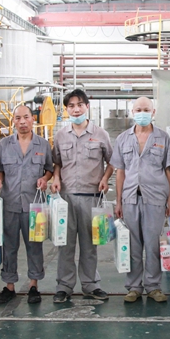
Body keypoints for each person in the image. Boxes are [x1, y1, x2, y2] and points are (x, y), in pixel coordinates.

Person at [50, 89, 114, 303]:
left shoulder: (101, 134)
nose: (76, 109)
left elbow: (112, 162)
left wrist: (105, 178)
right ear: (66, 109)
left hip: (92, 197)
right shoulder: (61, 135)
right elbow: (57, 162)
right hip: (66, 198)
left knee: (89, 245)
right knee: (65, 244)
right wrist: (56, 178)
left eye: (79, 105)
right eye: (71, 106)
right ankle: (64, 286)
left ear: (87, 107)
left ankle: (91, 285)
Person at [111, 97, 170, 304]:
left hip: (155, 198)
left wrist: (169, 200)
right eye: (138, 109)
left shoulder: (163, 137)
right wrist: (118, 201)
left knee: (154, 244)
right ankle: (134, 287)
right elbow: (120, 171)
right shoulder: (123, 139)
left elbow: (168, 170)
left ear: (153, 112)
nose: (142, 113)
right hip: (130, 198)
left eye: (146, 109)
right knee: (133, 245)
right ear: (132, 112)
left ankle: (153, 286)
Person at [0, 105, 54, 305]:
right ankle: (9, 286)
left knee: (34, 246)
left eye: (26, 117)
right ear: (13, 121)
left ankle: (33, 285)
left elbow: (50, 169)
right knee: (9, 245)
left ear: (33, 119)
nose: (22, 122)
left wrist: (45, 179)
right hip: (10, 203)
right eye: (18, 118)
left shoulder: (43, 144)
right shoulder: (4, 145)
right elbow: (0, 170)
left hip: (34, 205)